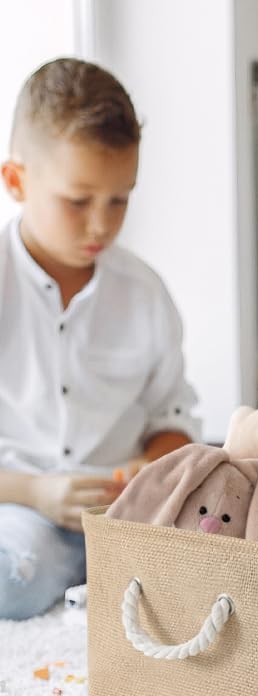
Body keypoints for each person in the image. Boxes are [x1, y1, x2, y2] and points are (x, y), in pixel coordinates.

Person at [0, 58, 200, 620]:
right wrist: (35, 494)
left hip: (125, 509)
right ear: (16, 181)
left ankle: (109, 565)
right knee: (18, 574)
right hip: (18, 505)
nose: (101, 225)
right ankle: (97, 571)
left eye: (120, 200)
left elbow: (174, 416)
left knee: (229, 520)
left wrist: (146, 465)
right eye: (78, 200)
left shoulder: (144, 294)